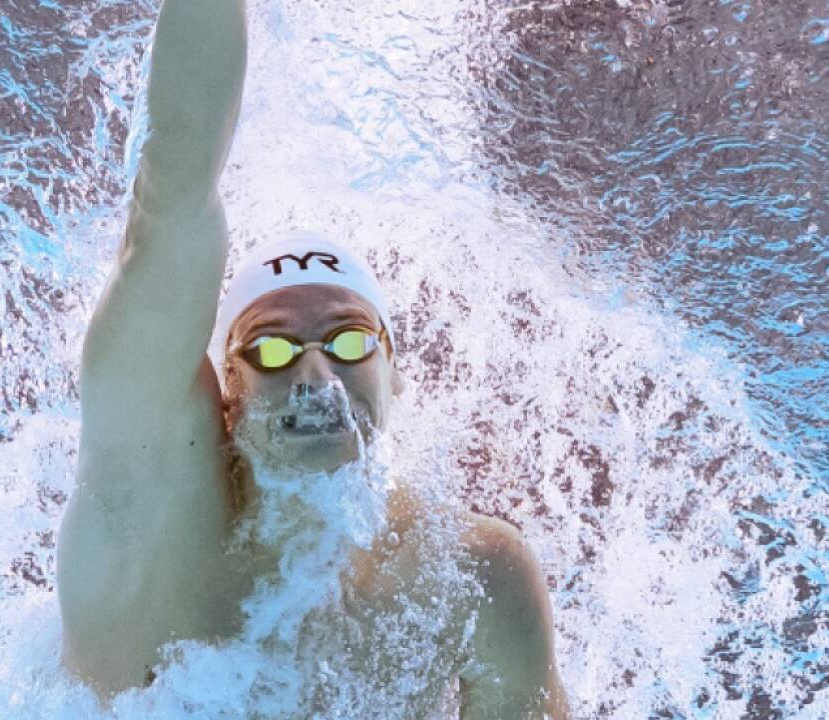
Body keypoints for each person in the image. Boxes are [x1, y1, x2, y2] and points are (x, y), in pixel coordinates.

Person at [55, 1, 569, 717]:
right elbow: (170, 207)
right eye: (270, 349)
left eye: (350, 342)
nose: (317, 378)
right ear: (226, 390)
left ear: (395, 371)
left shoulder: (473, 579)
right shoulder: (148, 523)